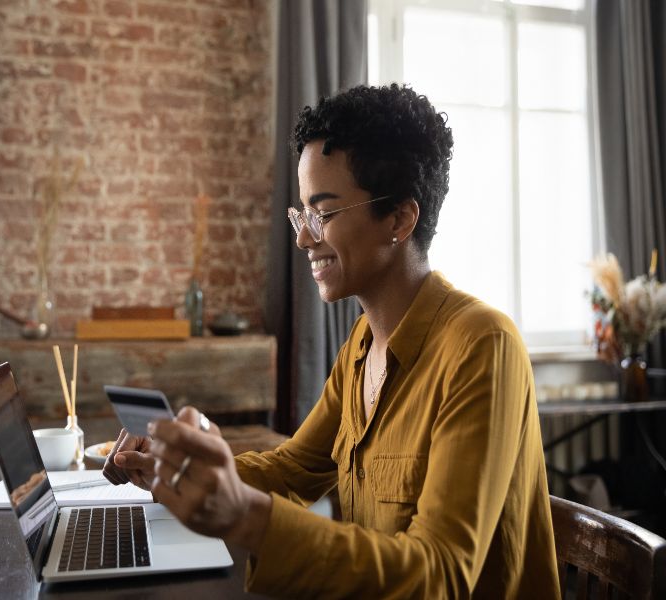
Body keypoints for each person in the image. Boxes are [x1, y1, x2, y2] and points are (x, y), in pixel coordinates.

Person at [102, 83, 561, 599]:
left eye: (323, 212)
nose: (303, 237)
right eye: (302, 212)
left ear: (399, 219)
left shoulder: (483, 346)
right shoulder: (364, 342)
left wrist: (247, 514)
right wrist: (182, 469)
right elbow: (296, 467)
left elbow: (442, 574)